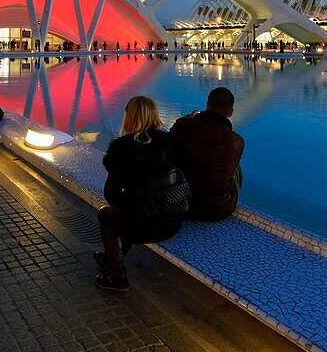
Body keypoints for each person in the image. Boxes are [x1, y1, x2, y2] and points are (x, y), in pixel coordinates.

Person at [95, 96, 187, 293]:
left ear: (128, 117)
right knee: (133, 210)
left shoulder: (122, 149)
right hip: (173, 221)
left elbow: (111, 194)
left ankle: (117, 274)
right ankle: (111, 256)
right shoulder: (168, 143)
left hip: (145, 227)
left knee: (107, 215)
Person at [169, 87, 245, 221]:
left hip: (180, 203)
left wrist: (185, 121)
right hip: (218, 209)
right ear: (230, 112)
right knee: (235, 167)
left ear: (207, 105)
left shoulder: (182, 126)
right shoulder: (236, 141)